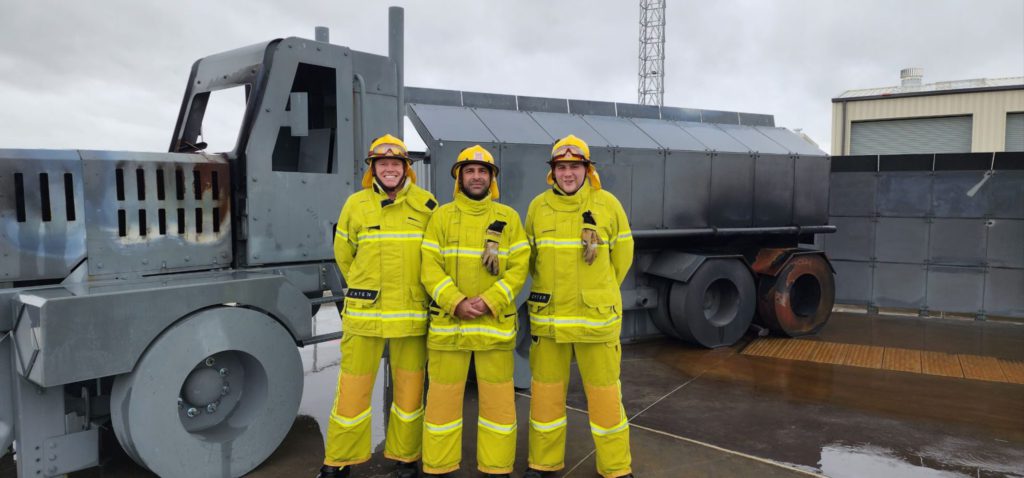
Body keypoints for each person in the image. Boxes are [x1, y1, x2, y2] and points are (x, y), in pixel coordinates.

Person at [318, 134, 438, 478]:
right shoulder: (355, 205)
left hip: (411, 315)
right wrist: (365, 285)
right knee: (352, 392)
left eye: (395, 164)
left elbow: (434, 257)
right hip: (365, 314)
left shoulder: (428, 205)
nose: (389, 169)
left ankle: (405, 458)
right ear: (373, 169)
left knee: (410, 391)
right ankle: (339, 460)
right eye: (382, 164)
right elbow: (344, 254)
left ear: (406, 169)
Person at [523, 135, 635, 478]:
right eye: (561, 167)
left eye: (574, 167)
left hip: (595, 322)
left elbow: (622, 259)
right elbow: (530, 259)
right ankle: (543, 464)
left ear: (588, 170)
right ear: (552, 172)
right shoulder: (537, 207)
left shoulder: (608, 205)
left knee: (604, 399)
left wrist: (598, 291)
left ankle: (616, 469)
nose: (568, 174)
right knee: (545, 399)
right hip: (550, 323)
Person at [419, 145, 530, 477]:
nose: (477, 176)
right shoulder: (441, 217)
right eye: (470, 171)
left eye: (483, 171)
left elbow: (520, 267)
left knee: (498, 408)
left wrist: (490, 301)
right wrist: (455, 302)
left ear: (492, 178)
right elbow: (429, 267)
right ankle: (440, 468)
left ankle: (496, 468)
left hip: (493, 330)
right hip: (448, 330)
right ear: (459, 177)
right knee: (441, 408)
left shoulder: (508, 218)